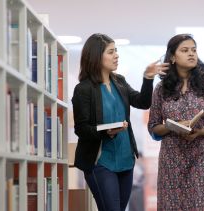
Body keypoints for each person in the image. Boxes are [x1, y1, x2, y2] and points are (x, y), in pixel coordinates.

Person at [71, 33, 168, 211]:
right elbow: (81, 129)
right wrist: (105, 131)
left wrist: (148, 78)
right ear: (96, 56)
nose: (116, 55)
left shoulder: (120, 82)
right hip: (100, 161)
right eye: (110, 52)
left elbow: (142, 102)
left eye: (116, 51)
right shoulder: (83, 89)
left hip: (125, 160)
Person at [147, 34, 204, 210]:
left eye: (194, 50)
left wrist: (200, 132)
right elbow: (153, 128)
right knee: (173, 205)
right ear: (172, 57)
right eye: (185, 50)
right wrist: (172, 126)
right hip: (172, 158)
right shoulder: (161, 89)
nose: (191, 54)